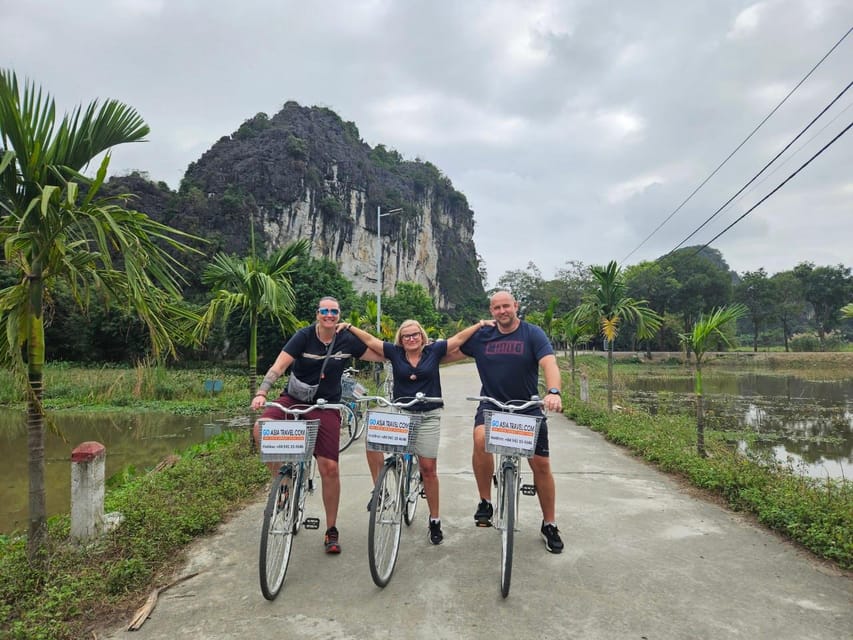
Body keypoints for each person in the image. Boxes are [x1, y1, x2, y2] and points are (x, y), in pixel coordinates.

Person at [250, 296, 384, 554]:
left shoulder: (347, 340)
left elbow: (381, 354)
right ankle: (283, 484)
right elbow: (278, 366)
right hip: (295, 399)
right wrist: (263, 391)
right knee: (261, 429)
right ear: (317, 314)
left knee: (329, 467)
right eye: (325, 311)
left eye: (334, 311)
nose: (329, 315)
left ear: (339, 315)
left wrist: (355, 329)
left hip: (327, 406)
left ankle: (331, 529)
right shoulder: (303, 336)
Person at [340, 318, 492, 545]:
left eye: (415, 335)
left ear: (422, 336)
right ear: (400, 339)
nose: (411, 339)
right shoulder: (394, 352)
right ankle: (380, 490)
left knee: (428, 469)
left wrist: (480, 325)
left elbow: (459, 339)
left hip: (429, 415)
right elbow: (371, 340)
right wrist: (350, 327)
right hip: (403, 414)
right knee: (373, 442)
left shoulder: (434, 350)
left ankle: (434, 519)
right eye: (406, 336)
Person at [452, 290, 565, 554]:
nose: (502, 311)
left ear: (515, 306)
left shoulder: (532, 333)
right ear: (491, 311)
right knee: (480, 439)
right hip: (492, 404)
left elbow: (549, 363)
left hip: (526, 406)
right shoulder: (482, 336)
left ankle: (549, 523)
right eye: (496, 308)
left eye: (506, 306)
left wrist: (554, 392)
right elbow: (450, 349)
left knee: (541, 464)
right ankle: (485, 501)